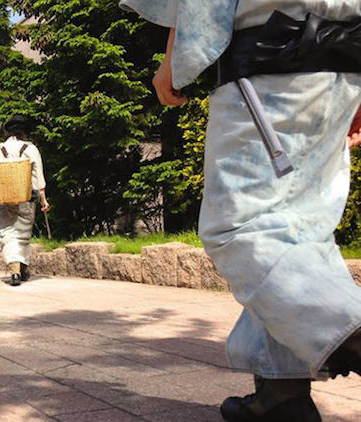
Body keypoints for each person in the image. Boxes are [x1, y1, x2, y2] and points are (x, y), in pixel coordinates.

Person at [120, 1, 361, 421]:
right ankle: (281, 395)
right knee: (299, 233)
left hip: (270, 58)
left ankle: (348, 337)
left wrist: (176, 56)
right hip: (343, 66)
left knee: (242, 229)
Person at [0, 114, 49, 286]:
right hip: (25, 198)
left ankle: (14, 269)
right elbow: (38, 177)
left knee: (8, 234)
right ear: (25, 132)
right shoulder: (31, 149)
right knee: (23, 234)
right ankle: (22, 267)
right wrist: (43, 199)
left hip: (4, 199)